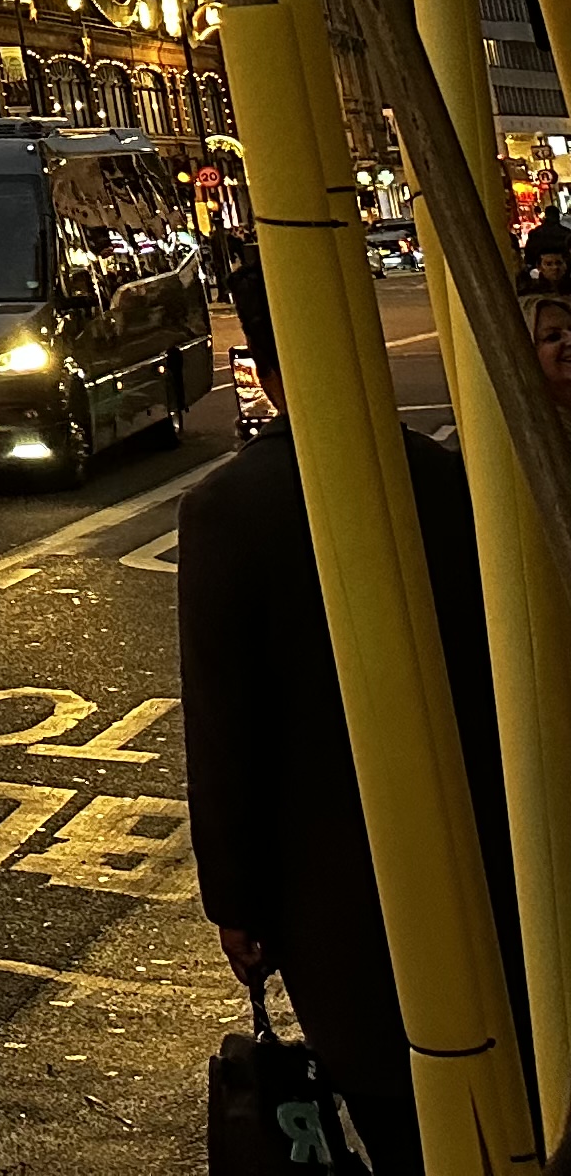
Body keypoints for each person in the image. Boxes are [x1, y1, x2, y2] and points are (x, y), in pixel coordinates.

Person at [181, 259, 516, 1176]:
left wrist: (237, 901)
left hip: (335, 887)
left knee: (396, 1107)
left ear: (266, 364)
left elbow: (224, 731)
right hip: (488, 849)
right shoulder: (448, 477)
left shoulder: (228, 509)